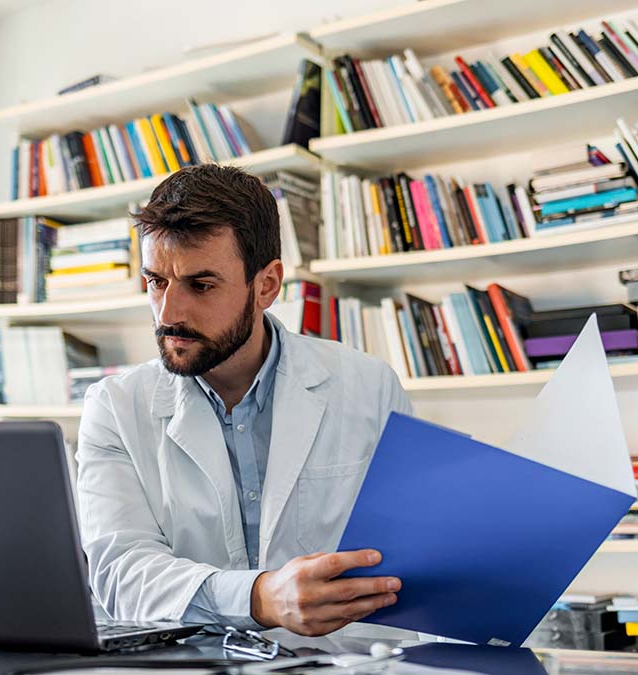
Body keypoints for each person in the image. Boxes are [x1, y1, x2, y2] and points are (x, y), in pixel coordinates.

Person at [76, 165, 413, 638]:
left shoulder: (368, 386)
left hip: (346, 663)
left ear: (267, 285)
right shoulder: (114, 407)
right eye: (156, 281)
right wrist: (261, 598)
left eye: (202, 285)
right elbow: (120, 574)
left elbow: (412, 556)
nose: (169, 313)